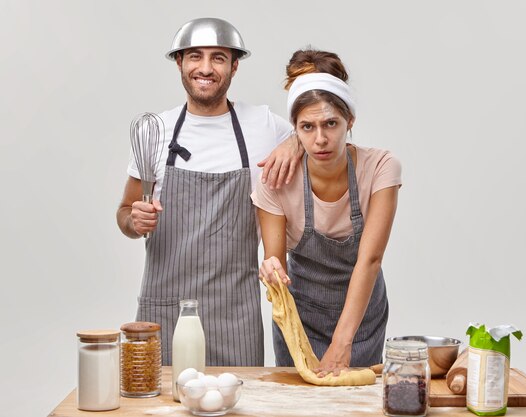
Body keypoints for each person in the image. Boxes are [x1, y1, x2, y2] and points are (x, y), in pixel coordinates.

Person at [116, 18, 302, 367]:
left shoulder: (262, 125)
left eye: (218, 58)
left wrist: (295, 142)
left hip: (235, 312)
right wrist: (133, 220)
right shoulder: (156, 130)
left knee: (241, 402)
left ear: (234, 66)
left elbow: (320, 131)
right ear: (179, 63)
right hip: (165, 308)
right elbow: (125, 213)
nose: (205, 68)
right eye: (195, 57)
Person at [253, 49, 401, 376]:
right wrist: (271, 269)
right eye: (307, 128)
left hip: (361, 320)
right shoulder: (276, 182)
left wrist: (343, 341)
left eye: (331, 124)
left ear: (350, 121)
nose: (321, 139)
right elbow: (273, 259)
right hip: (300, 321)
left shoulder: (381, 168)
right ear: (293, 129)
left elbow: (370, 260)